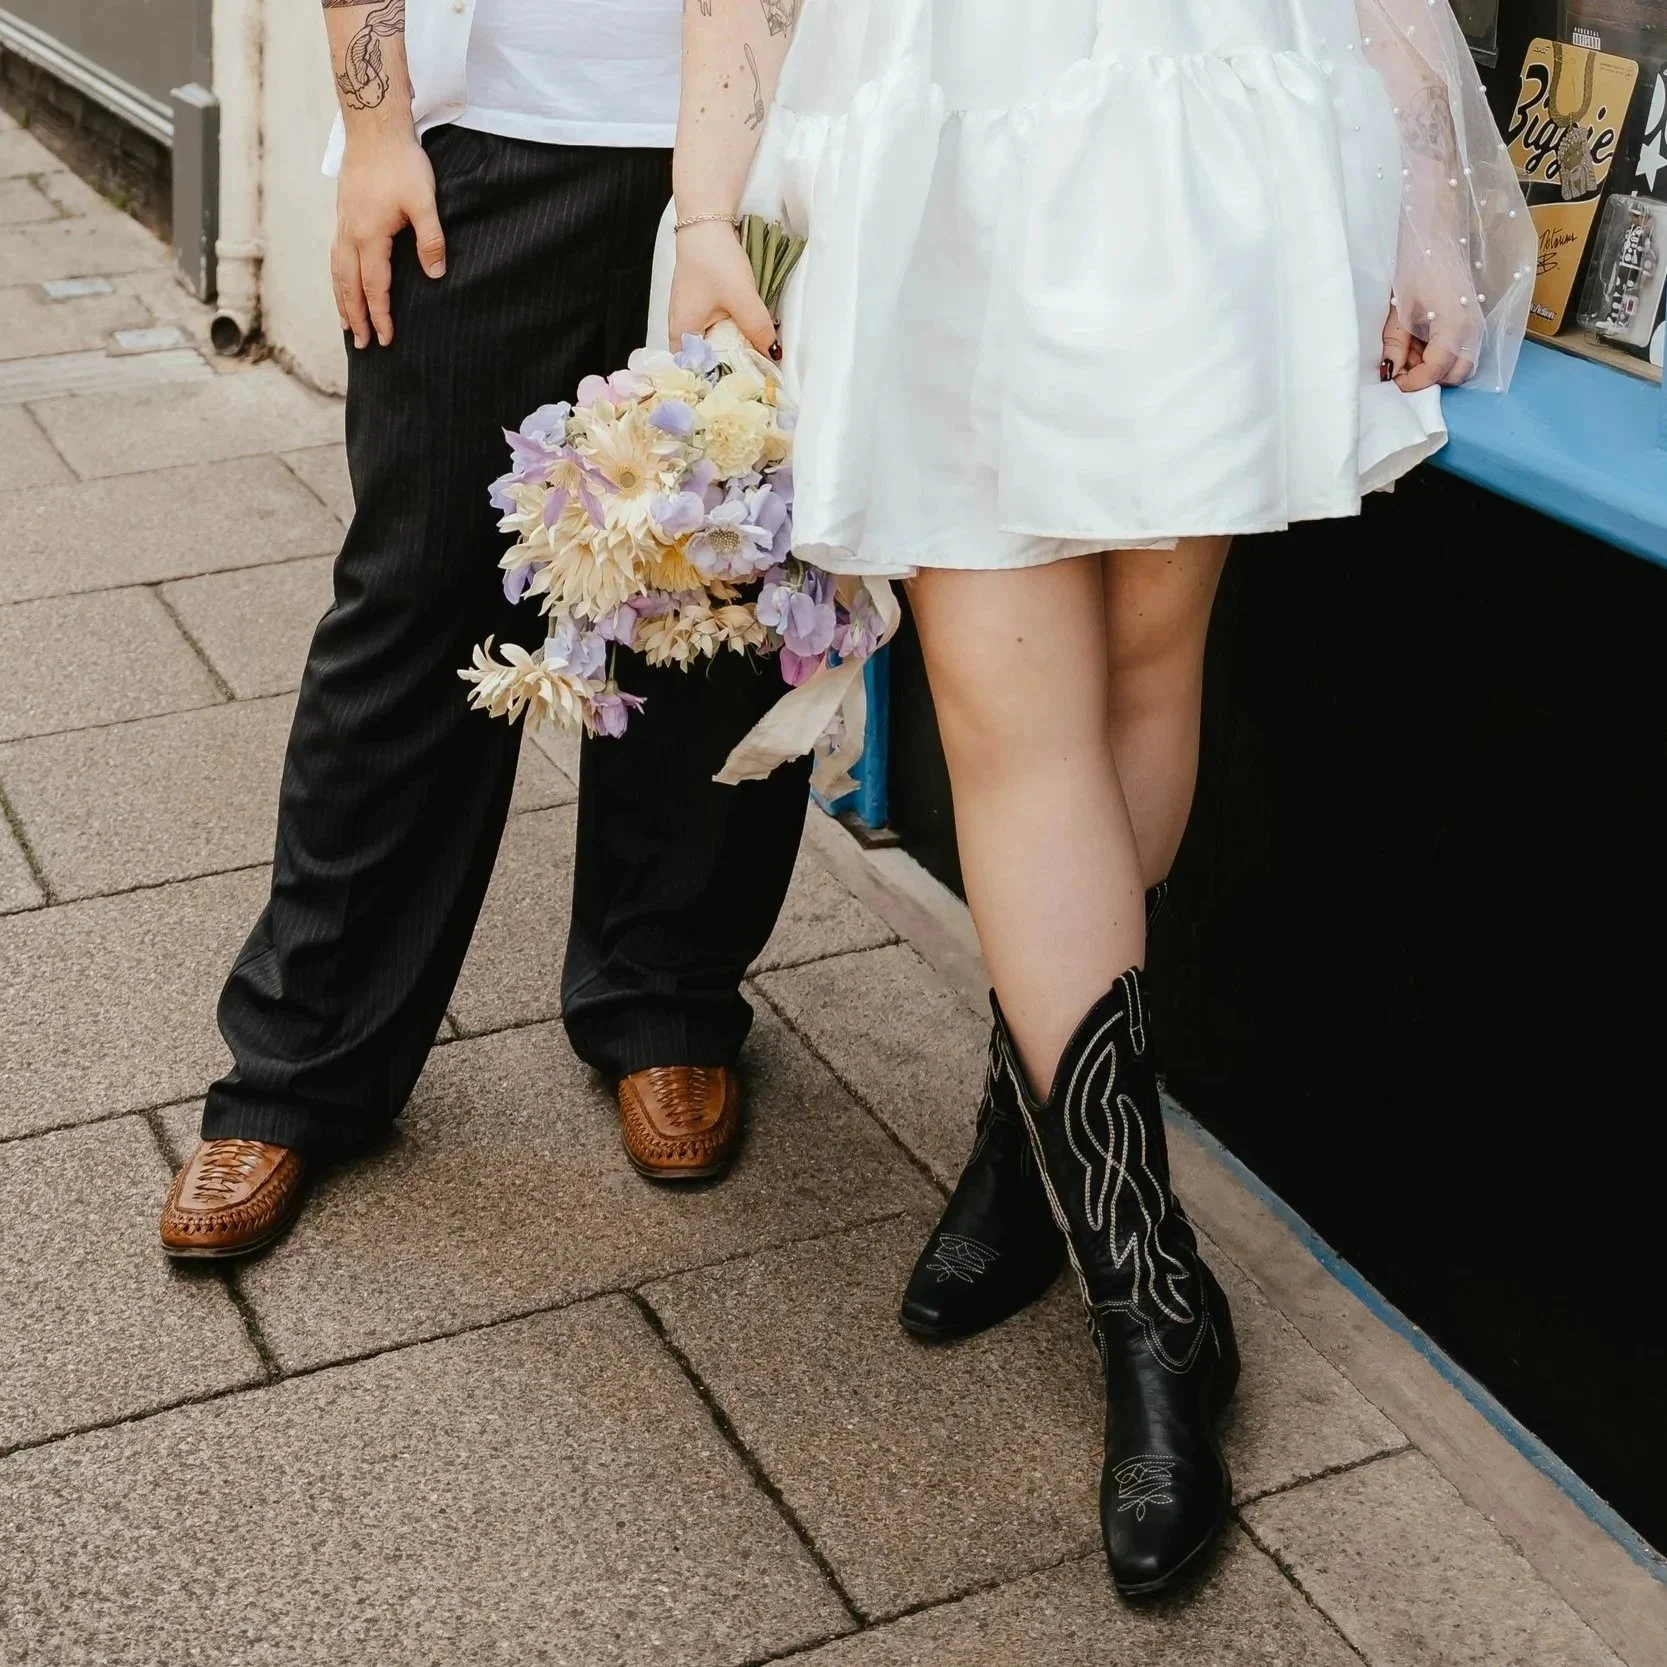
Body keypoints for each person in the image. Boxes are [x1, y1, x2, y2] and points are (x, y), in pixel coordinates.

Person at [668, 0, 1531, 1597]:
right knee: (1007, 718)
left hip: (1187, 111)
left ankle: (1035, 1146)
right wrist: (707, 205)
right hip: (930, 113)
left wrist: (1422, 203)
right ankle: (1152, 1308)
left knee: (1142, 668)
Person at [158, 0, 813, 1260]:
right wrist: (379, 126)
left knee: (711, 591)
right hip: (493, 146)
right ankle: (297, 1067)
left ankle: (663, 999)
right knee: (415, 602)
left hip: (749, 145)